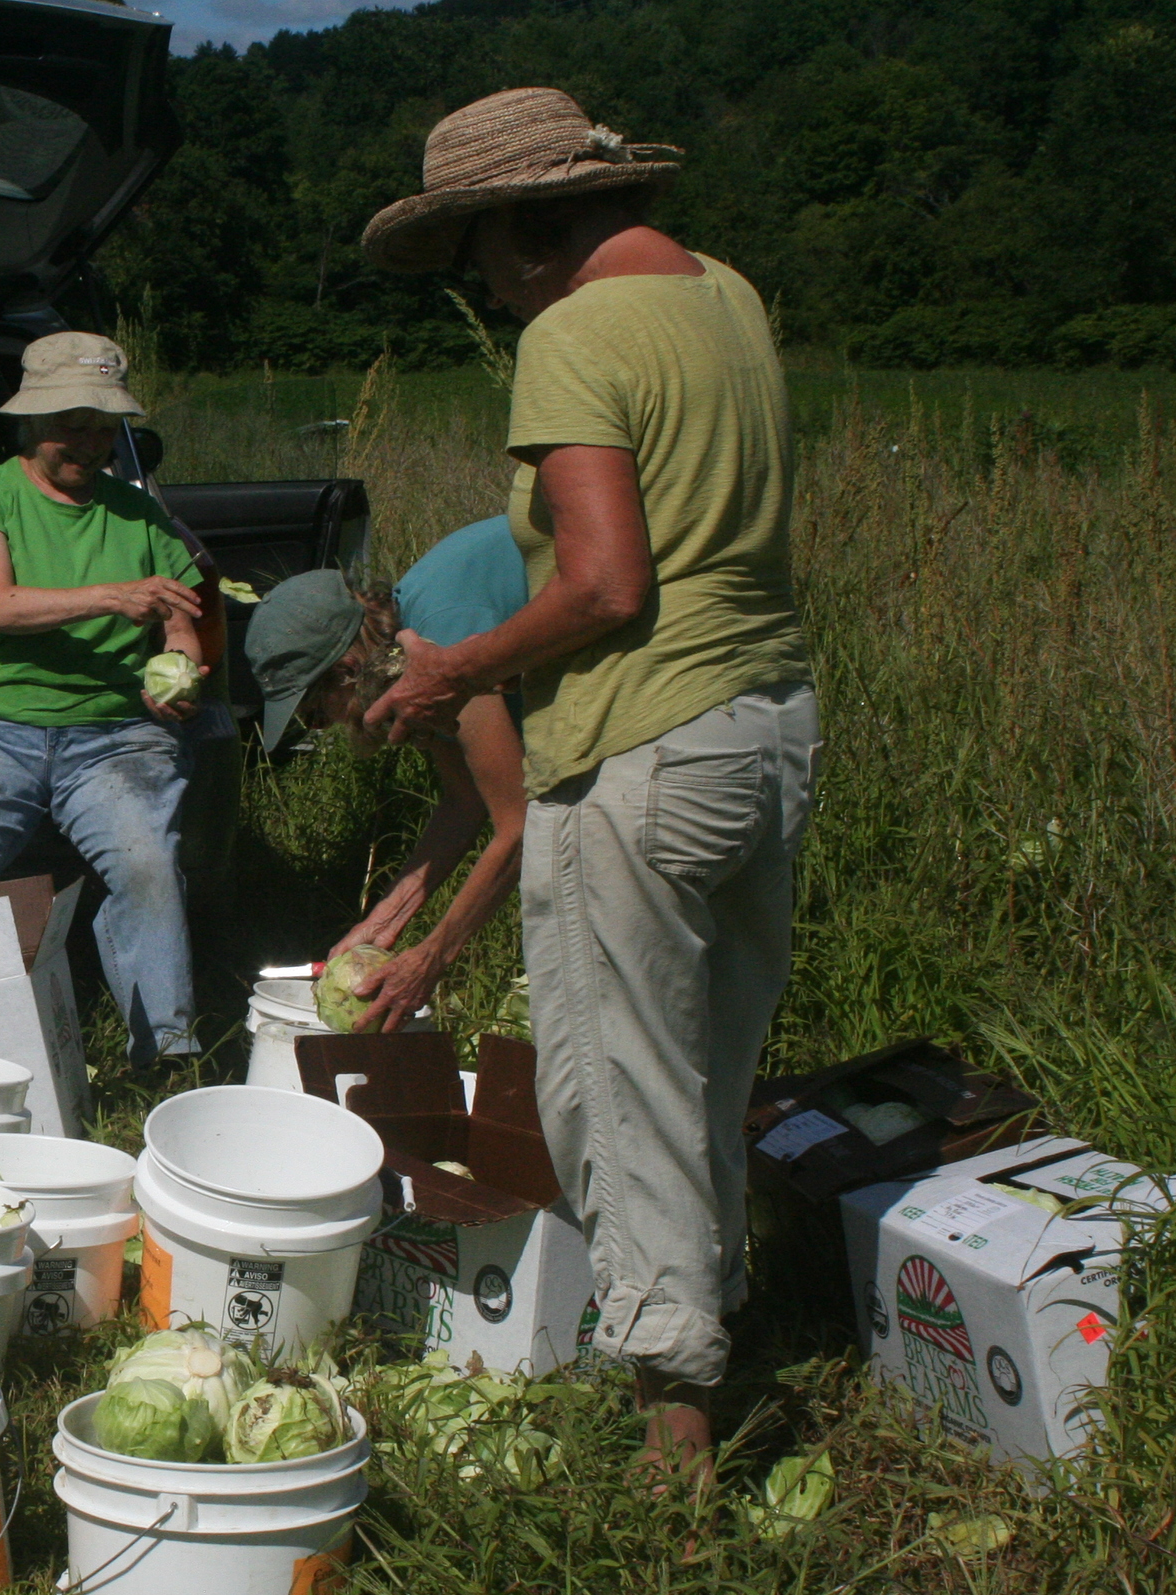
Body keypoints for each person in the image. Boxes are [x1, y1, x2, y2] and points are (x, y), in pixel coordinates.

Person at [359, 88, 819, 1478]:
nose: (485, 292)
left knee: (614, 1091)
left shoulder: (574, 331)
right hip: (767, 726)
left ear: (529, 225)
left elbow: (607, 580)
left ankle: (670, 1430)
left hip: (640, 747)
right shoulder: (726, 298)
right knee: (706, 1060)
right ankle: (717, 1306)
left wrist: (454, 674)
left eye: (479, 257)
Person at [0, 332, 207, 1065]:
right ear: (31, 422)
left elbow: (181, 619)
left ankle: (165, 1051)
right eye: (72, 425)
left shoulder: (138, 513)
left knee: (148, 864)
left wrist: (182, 671)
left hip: (112, 732)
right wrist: (113, 597)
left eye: (104, 428)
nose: (90, 442)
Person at [244, 517, 530, 1031]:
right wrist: (384, 921)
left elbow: (521, 824)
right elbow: (465, 801)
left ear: (346, 669)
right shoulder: (409, 666)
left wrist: (431, 957)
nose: (320, 727)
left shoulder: (439, 637)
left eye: (314, 710)